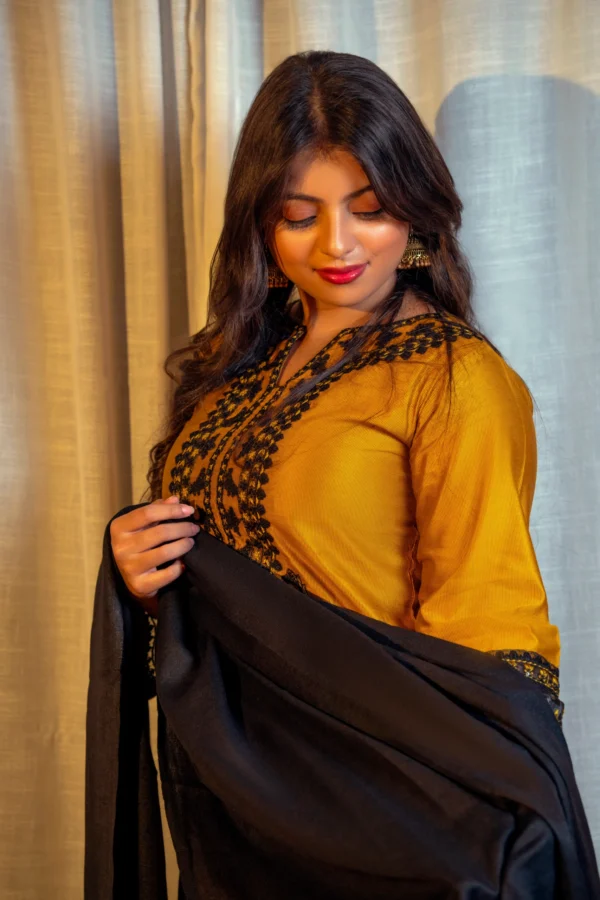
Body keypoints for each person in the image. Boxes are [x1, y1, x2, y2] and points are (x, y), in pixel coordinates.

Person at [87, 50, 599, 898]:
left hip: (379, 810)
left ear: (417, 213)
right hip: (237, 806)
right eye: (299, 215)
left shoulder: (453, 378)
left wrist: (498, 819)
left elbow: (490, 622)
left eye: (371, 210)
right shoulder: (234, 373)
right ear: (260, 224)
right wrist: (141, 577)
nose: (337, 245)